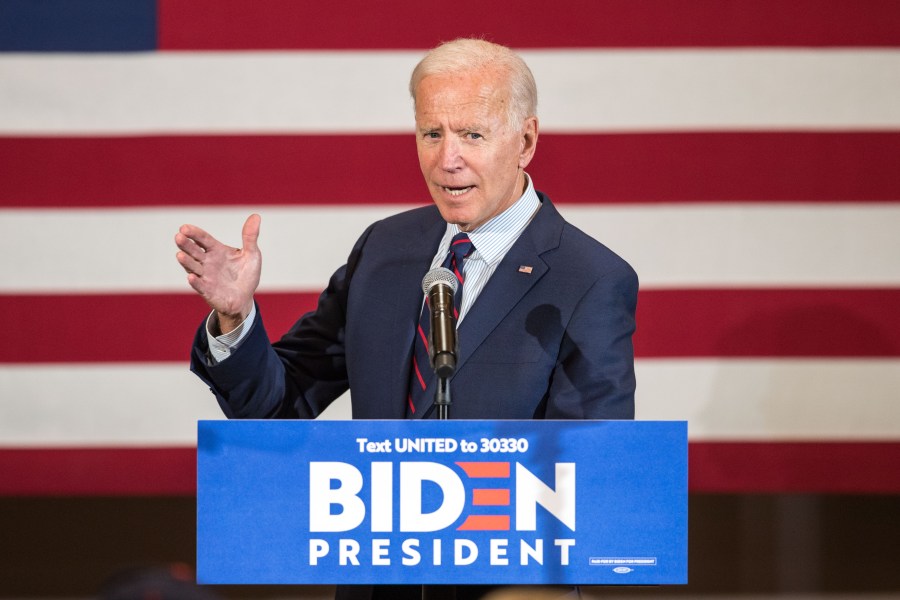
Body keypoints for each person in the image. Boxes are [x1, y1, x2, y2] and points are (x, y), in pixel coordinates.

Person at [175, 38, 637, 600]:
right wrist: (236, 316)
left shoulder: (588, 278)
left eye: (472, 134)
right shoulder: (386, 249)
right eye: (431, 133)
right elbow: (278, 405)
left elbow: (591, 478)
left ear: (526, 141)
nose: (448, 159)